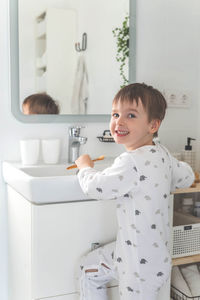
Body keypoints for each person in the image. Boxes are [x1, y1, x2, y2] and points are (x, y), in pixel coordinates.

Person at [75, 83, 194, 300]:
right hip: (152, 257)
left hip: (137, 266)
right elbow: (187, 176)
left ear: (153, 125)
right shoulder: (162, 153)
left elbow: (95, 187)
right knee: (89, 267)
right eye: (115, 114)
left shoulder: (130, 161)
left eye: (130, 115)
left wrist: (85, 167)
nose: (119, 121)